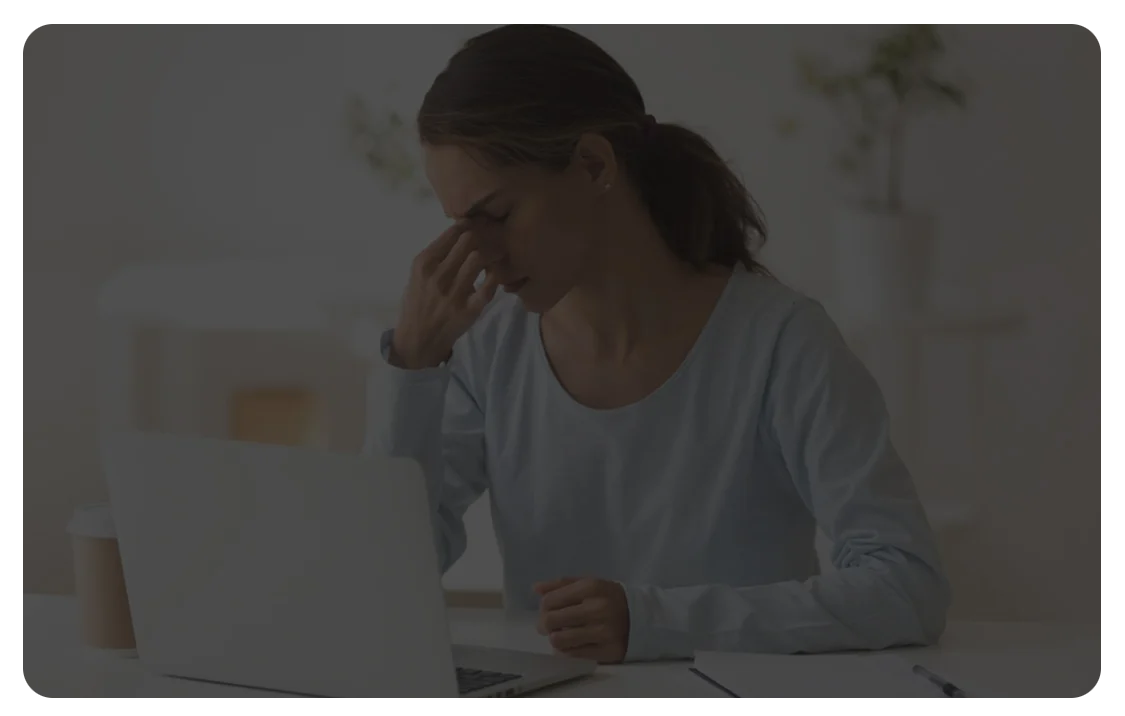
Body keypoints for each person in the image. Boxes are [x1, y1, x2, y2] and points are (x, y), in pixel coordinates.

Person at [367, 23, 951, 665]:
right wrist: (413, 368)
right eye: (462, 226)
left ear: (593, 165)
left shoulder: (780, 343)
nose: (481, 254)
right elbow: (381, 578)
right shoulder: (488, 350)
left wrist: (655, 621)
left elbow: (905, 585)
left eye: (497, 215)